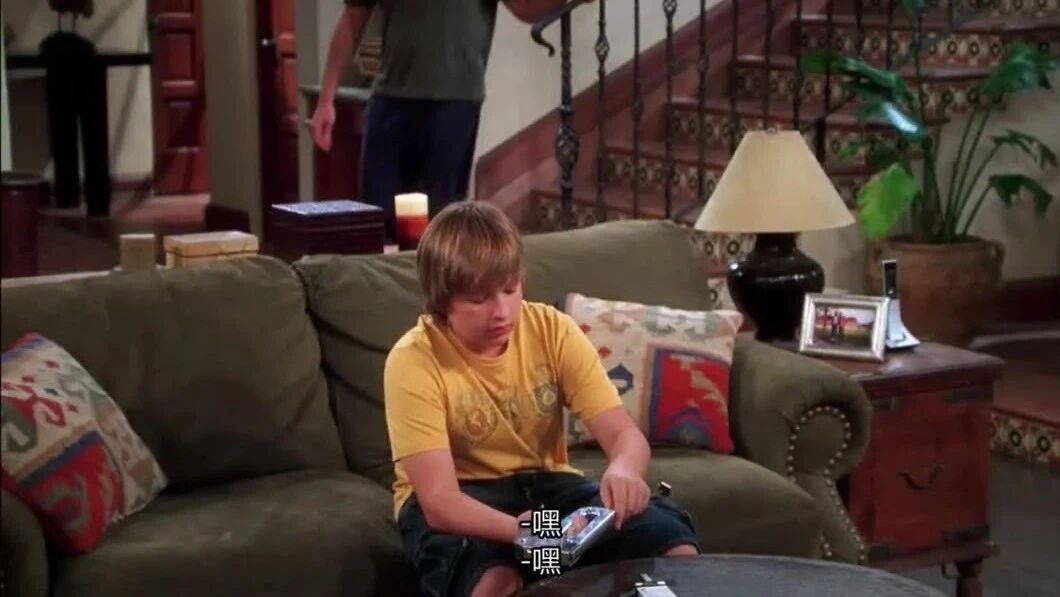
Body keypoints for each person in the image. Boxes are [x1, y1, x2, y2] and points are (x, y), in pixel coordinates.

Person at [385, 201, 700, 597]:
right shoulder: (413, 360)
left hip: (547, 489)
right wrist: (526, 534)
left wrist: (625, 469)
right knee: (495, 580)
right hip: (464, 501)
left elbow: (624, 436)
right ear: (442, 300)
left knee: (671, 545)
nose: (501, 312)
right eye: (479, 299)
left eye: (509, 290)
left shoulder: (553, 330)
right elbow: (439, 503)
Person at [311, 0, 567, 239]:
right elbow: (353, 18)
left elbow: (525, 8)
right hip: (390, 98)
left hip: (454, 102)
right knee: (377, 216)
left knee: (440, 223)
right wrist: (326, 100)